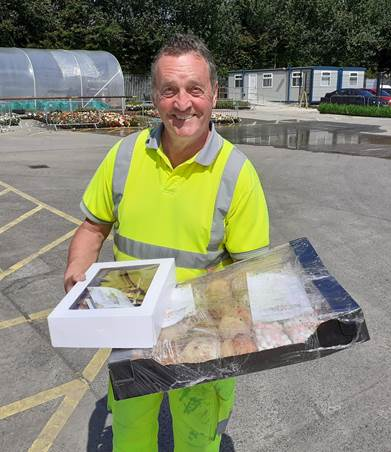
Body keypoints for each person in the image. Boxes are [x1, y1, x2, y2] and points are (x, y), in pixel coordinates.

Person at [64, 33, 269, 452]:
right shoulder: (124, 156)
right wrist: (76, 275)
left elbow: (253, 273)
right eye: (169, 91)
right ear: (155, 96)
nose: (182, 103)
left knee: (197, 440)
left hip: (202, 340)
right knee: (131, 436)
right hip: (132, 335)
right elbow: (92, 226)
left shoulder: (237, 173)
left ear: (213, 93)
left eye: (195, 89)